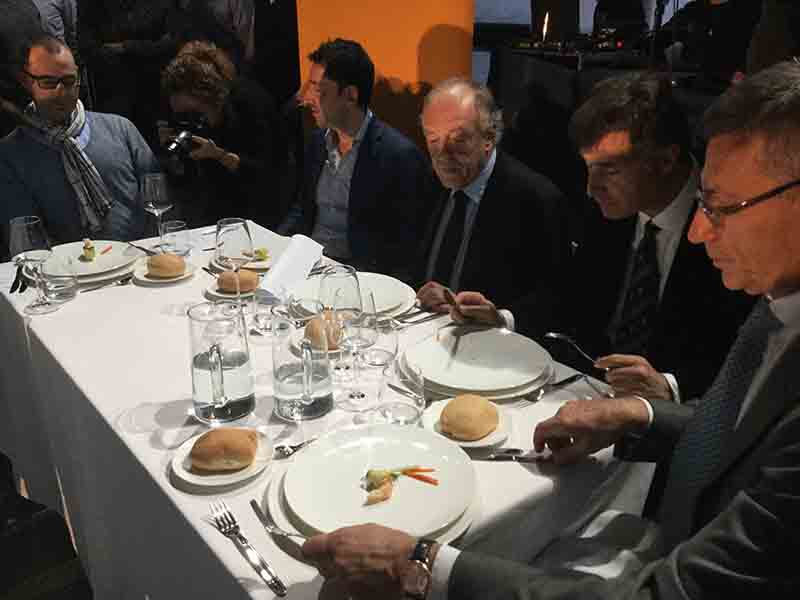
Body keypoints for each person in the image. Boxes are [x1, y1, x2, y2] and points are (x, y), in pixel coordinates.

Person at [300, 60, 800, 599]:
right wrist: (640, 413)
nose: (700, 229)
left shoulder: (757, 286)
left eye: (721, 205)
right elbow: (736, 424)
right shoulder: (778, 300)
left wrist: (422, 564)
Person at [279, 39, 435, 277]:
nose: (306, 98)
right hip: (307, 264)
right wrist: (278, 246)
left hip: (356, 277)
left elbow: (404, 247)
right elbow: (303, 208)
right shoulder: (317, 143)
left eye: (319, 90)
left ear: (350, 95)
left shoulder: (399, 156)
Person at [416, 78, 570, 314]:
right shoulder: (427, 181)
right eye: (433, 139)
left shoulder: (537, 200)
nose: (442, 153)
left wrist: (500, 317)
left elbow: (556, 298)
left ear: (488, 138)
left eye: (458, 139)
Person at [0, 35, 159, 253]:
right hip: (65, 270)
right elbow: (25, 238)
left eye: (68, 81)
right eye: (48, 83)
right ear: (27, 82)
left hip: (139, 261)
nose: (60, 93)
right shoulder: (10, 154)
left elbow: (160, 205)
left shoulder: (121, 129)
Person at [159, 41, 288, 227]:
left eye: (192, 113)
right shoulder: (187, 114)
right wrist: (174, 158)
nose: (189, 120)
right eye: (181, 114)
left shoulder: (251, 104)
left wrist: (221, 156)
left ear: (208, 97)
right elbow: (185, 185)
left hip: (261, 210)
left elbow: (270, 175)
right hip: (213, 209)